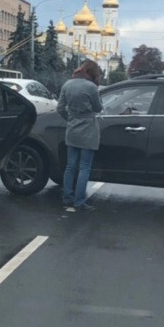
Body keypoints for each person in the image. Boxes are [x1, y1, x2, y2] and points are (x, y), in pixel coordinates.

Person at [57, 60, 103, 213]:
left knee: (70, 166)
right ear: (93, 73)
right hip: (88, 130)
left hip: (72, 129)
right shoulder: (91, 87)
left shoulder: (67, 85)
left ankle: (67, 198)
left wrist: (70, 119)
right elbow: (98, 107)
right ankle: (79, 201)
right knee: (84, 167)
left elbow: (60, 108)